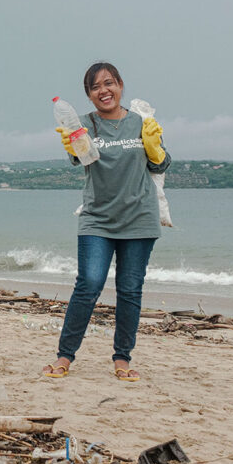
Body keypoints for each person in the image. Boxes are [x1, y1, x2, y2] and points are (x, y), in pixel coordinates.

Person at [43, 61, 170, 382]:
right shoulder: (83, 125)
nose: (104, 91)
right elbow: (77, 158)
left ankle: (122, 359)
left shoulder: (142, 122)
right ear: (89, 95)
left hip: (140, 219)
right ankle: (64, 356)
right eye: (96, 86)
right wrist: (73, 141)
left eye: (109, 83)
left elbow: (162, 163)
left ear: (121, 85)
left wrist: (154, 147)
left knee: (129, 290)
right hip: (96, 220)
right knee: (88, 285)